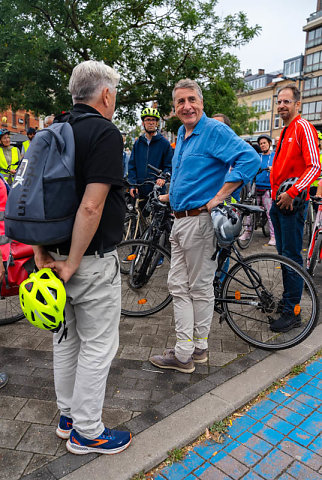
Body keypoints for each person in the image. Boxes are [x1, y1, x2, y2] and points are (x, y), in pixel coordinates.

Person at [32, 60, 131, 455]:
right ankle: (88, 432)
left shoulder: (50, 132)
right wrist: (72, 261)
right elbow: (92, 207)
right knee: (98, 345)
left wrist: (42, 253)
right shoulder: (104, 133)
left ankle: (68, 416)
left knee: (65, 339)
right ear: (105, 94)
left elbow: (31, 200)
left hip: (51, 256)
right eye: (115, 95)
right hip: (87, 262)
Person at [149, 78, 260, 373]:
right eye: (180, 102)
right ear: (174, 108)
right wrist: (170, 194)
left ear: (201, 102)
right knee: (184, 286)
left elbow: (250, 159)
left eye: (191, 100)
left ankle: (187, 353)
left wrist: (219, 197)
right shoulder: (184, 135)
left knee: (193, 287)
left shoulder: (212, 130)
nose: (186, 106)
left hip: (199, 221)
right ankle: (195, 349)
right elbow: (188, 174)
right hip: (181, 220)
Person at [269, 84, 321, 333]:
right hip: (279, 204)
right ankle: (289, 301)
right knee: (283, 256)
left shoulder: (303, 127)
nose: (281, 106)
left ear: (297, 104)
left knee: (291, 257)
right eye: (279, 102)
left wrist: (292, 192)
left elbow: (314, 167)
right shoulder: (286, 130)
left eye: (287, 102)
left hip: (291, 204)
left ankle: (293, 312)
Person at [127, 107, 173, 207]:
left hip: (157, 189)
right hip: (140, 189)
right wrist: (132, 185)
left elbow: (169, 166)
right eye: (148, 120)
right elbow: (132, 166)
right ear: (143, 123)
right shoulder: (138, 143)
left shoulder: (164, 143)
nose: (151, 122)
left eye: (153, 120)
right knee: (138, 219)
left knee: (159, 220)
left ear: (157, 123)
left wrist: (162, 177)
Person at [239, 134, 276, 245]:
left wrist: (273, 169)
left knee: (270, 213)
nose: (262, 145)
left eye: (264, 143)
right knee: (249, 211)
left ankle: (273, 236)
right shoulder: (257, 156)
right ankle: (247, 232)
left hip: (268, 188)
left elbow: (279, 169)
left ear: (269, 143)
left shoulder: (274, 156)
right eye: (260, 144)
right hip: (256, 187)